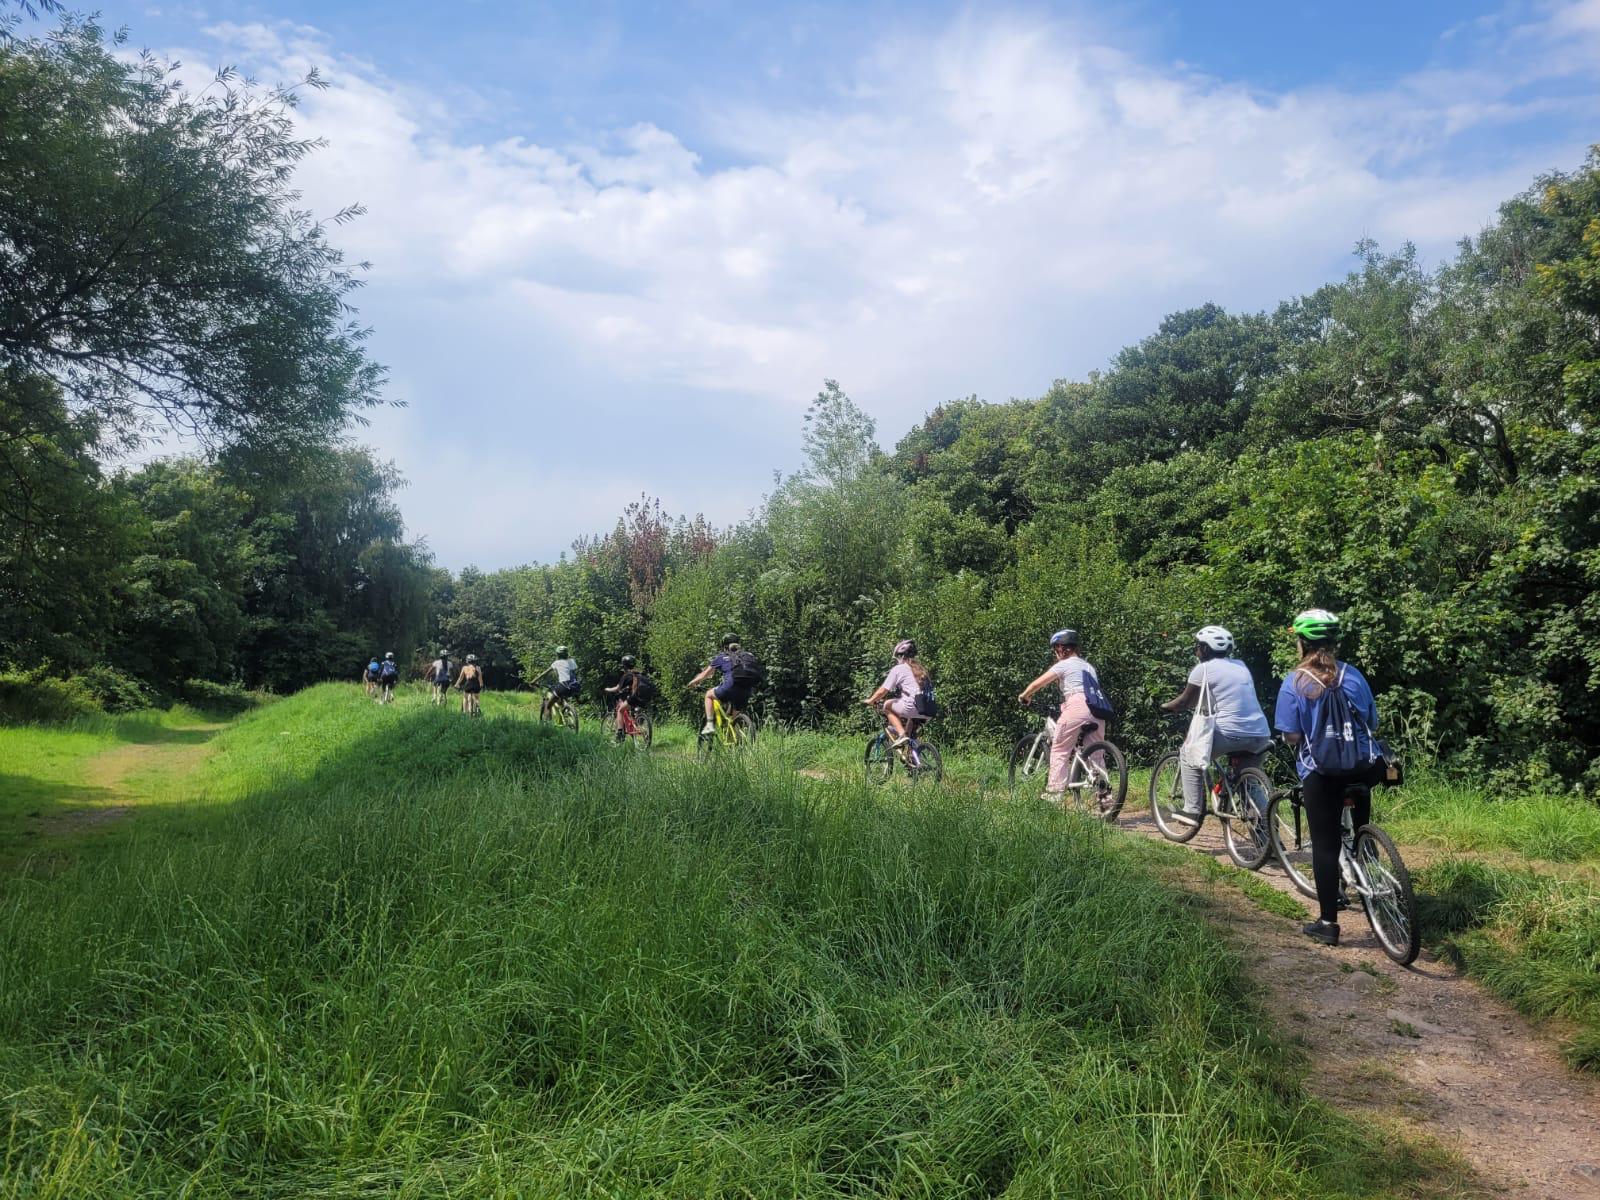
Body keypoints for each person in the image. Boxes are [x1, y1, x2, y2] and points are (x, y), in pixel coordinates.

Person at [1274, 608, 1382, 947]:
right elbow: (1373, 723)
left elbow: (1291, 735)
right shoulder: (1354, 676)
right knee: (1359, 824)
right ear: (1333, 642)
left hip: (1322, 772)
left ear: (1301, 642)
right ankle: (1368, 862)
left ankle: (1328, 923)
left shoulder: (1295, 682)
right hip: (1366, 767)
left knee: (1324, 844)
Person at [1159, 625, 1272, 827]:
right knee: (1248, 781)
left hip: (1229, 733)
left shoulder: (1203, 669)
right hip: (1260, 734)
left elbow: (1185, 702)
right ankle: (1268, 839)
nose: (1196, 650)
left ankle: (1192, 811)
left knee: (1189, 754)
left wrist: (1166, 707)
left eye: (1198, 646)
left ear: (1205, 649)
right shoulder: (1241, 666)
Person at [1016, 629, 1106, 803]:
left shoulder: (1065, 664)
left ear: (1061, 648)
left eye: (1056, 648)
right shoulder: (1088, 666)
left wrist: (1024, 695)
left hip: (1076, 706)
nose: (1055, 652)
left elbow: (1037, 684)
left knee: (1059, 749)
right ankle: (1105, 803)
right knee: (1096, 756)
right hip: (1098, 710)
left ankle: (1054, 794)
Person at [863, 639, 932, 745]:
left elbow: (883, 690)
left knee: (887, 705)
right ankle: (914, 756)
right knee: (911, 735)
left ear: (900, 656)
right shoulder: (921, 669)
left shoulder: (899, 669)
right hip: (928, 709)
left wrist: (871, 700)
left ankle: (901, 735)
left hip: (912, 706)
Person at [686, 634, 759, 735]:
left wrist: (693, 682)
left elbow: (705, 674)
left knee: (708, 695)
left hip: (730, 687)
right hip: (747, 689)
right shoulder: (748, 655)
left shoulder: (722, 657)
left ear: (724, 645)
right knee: (733, 719)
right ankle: (735, 743)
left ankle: (710, 725)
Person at [604, 654, 655, 736]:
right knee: (631, 712)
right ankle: (637, 729)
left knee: (620, 710)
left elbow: (617, 688)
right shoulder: (639, 673)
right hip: (645, 697)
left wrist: (607, 689)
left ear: (624, 665)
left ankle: (620, 733)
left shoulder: (627, 675)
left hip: (635, 697)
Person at [538, 645, 581, 719]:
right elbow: (572, 672)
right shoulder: (572, 661)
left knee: (548, 705)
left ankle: (547, 723)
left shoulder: (557, 663)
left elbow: (544, 673)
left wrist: (533, 681)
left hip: (563, 686)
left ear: (557, 654)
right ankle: (565, 714)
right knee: (562, 699)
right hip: (575, 686)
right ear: (567, 653)